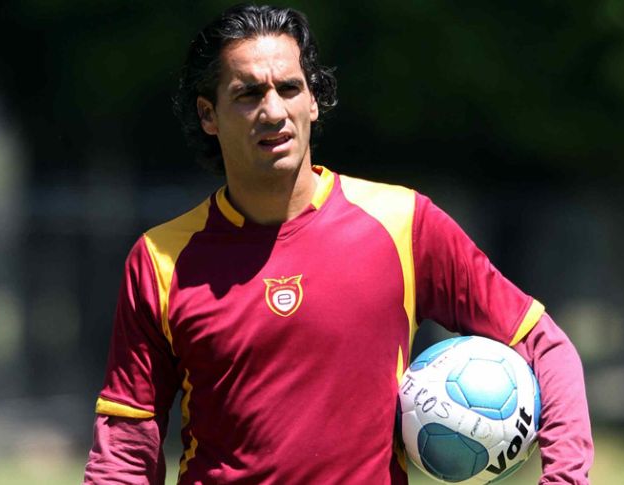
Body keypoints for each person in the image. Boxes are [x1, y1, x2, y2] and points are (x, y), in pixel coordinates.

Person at [84, 4, 594, 484]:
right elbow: (127, 443)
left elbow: (544, 345)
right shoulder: (161, 259)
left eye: (289, 88)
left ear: (313, 100)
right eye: (248, 94)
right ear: (208, 114)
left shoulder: (404, 223)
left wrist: (565, 477)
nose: (273, 111)